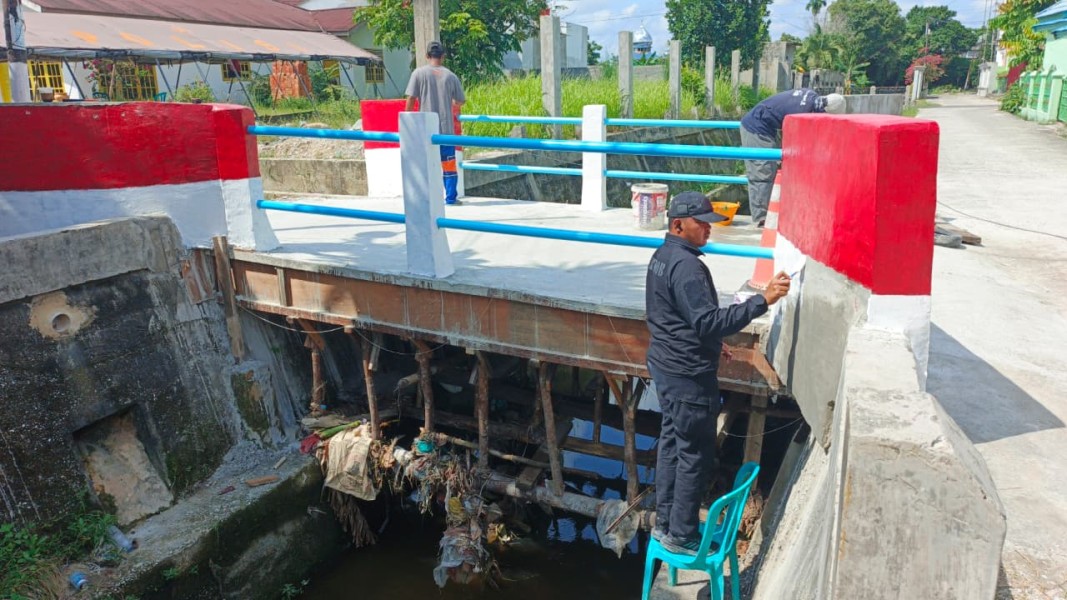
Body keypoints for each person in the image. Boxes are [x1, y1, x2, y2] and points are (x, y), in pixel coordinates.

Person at [645, 191, 791, 556]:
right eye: (702, 224)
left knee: (672, 447)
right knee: (693, 454)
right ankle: (681, 534)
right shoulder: (689, 267)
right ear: (678, 224)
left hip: (666, 366)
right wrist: (763, 300)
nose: (708, 230)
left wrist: (711, 344)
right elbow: (707, 321)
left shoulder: (661, 257)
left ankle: (664, 524)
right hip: (688, 377)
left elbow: (672, 317)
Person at [740, 89, 845, 227]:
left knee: (771, 170)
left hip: (767, 128)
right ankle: (763, 220)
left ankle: (770, 214)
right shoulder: (801, 113)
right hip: (756, 128)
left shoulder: (811, 97)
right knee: (762, 172)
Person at [405, 40, 466, 205]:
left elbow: (410, 98)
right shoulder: (450, 76)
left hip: (425, 130)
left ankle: (426, 199)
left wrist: (409, 120)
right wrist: (450, 103)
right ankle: (451, 198)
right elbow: (460, 101)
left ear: (426, 56)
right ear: (443, 56)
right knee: (448, 165)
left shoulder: (418, 74)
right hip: (446, 131)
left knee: (425, 166)